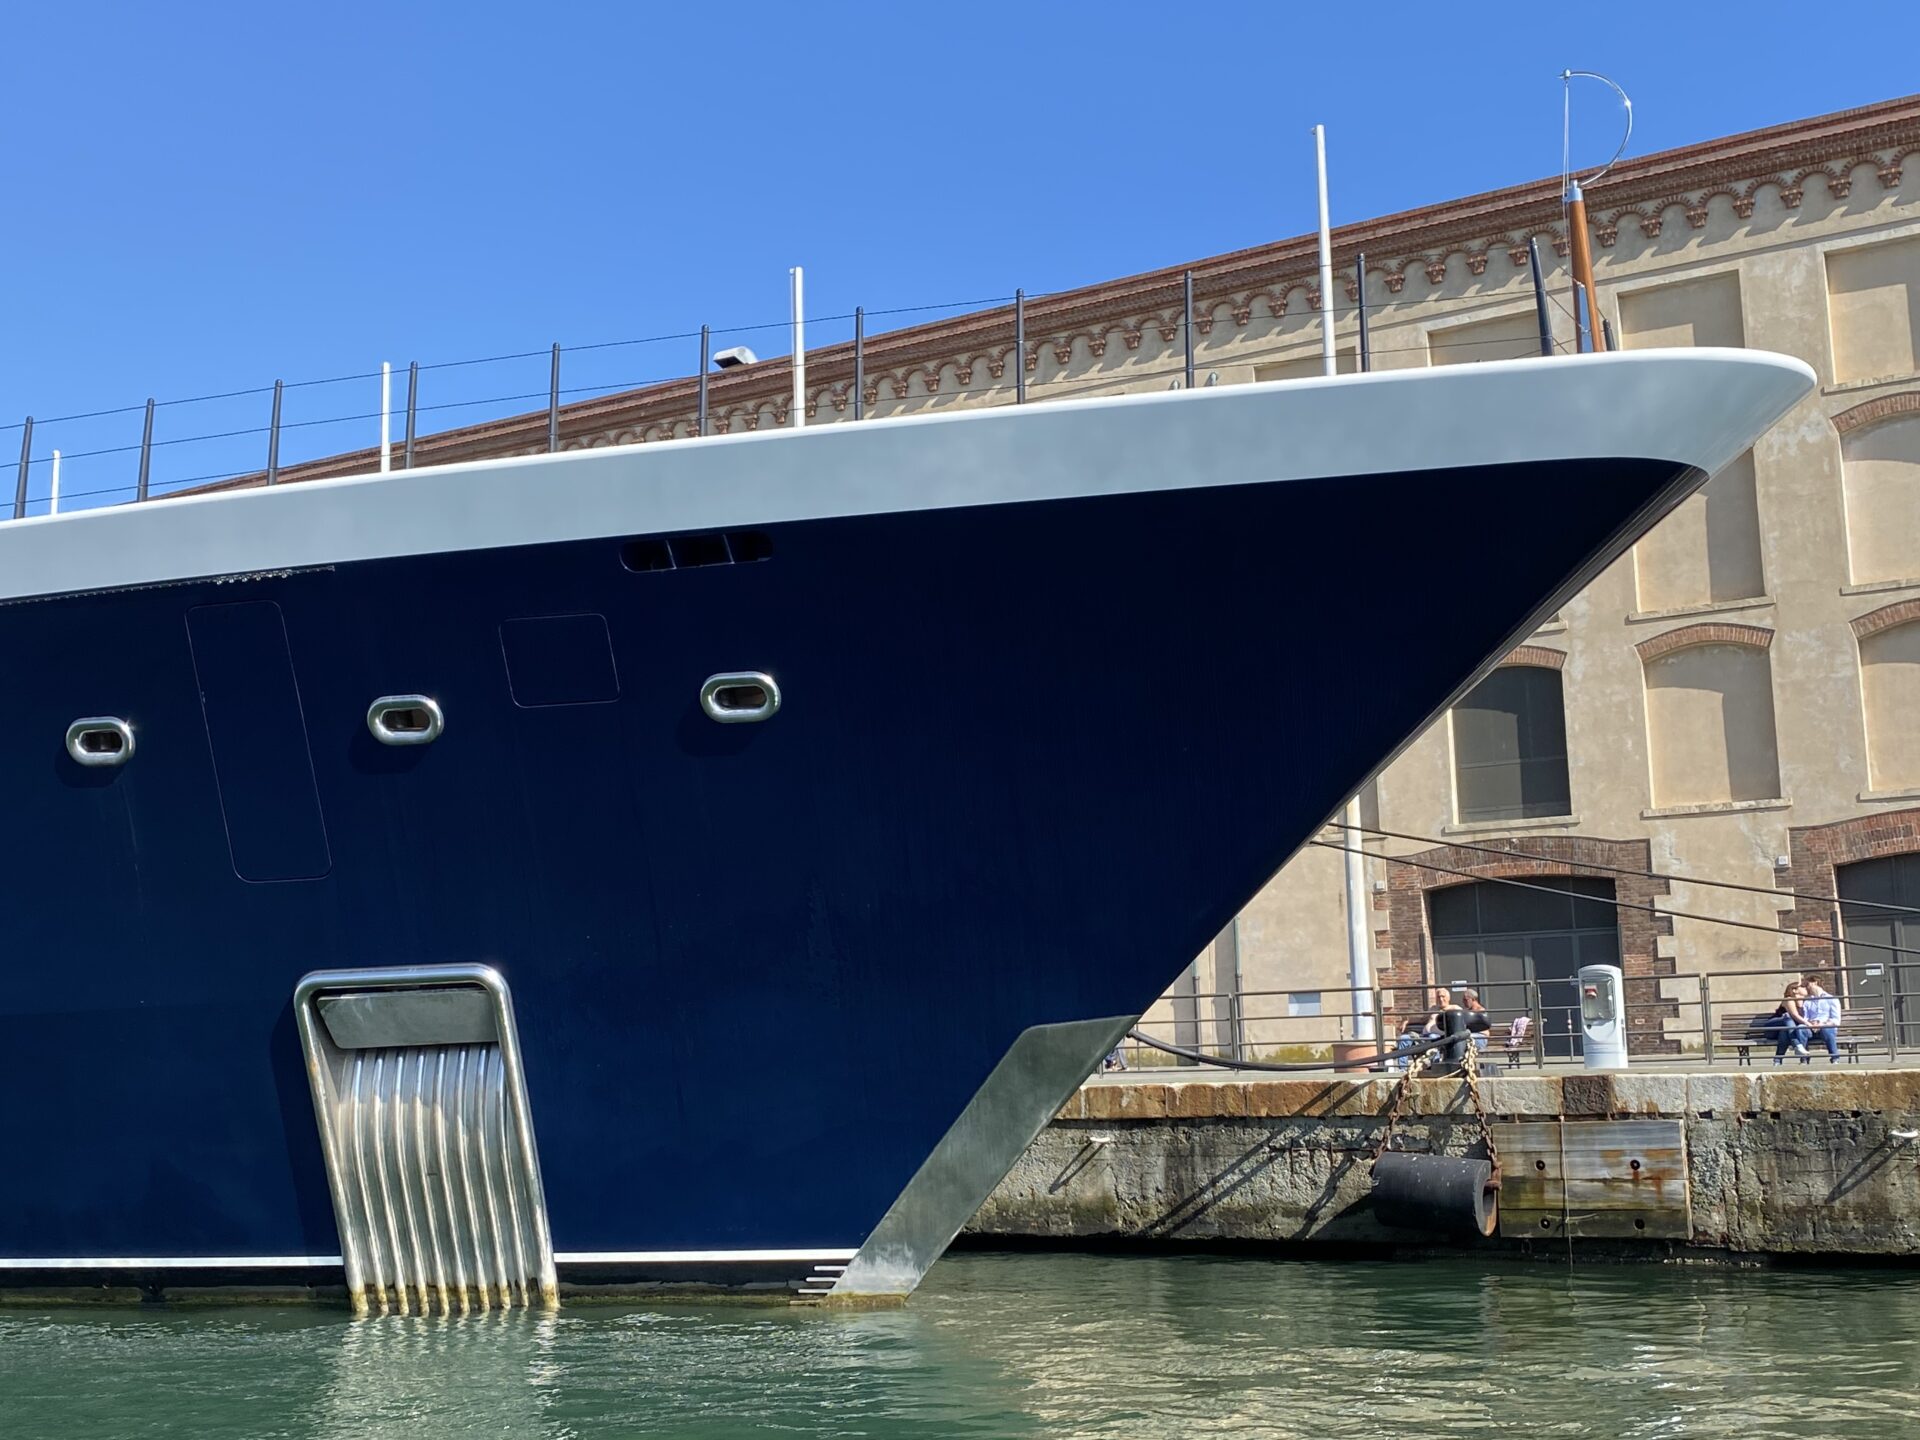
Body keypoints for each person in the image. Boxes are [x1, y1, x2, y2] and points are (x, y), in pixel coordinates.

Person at [1801, 974, 1843, 1062]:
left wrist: (1821, 1024)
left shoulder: (1831, 999)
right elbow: (1805, 1017)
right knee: (1801, 1029)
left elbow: (1836, 1020)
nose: (1806, 988)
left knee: (1826, 1030)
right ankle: (1804, 1059)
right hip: (1811, 1028)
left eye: (1808, 985)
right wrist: (1810, 1024)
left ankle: (1835, 1058)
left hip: (1825, 1026)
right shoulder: (1807, 1001)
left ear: (1815, 983)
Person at [1769, 982, 1812, 1064]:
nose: (1805, 987)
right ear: (1794, 990)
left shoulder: (1806, 1001)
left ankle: (1777, 1061)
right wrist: (1808, 1023)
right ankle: (1797, 1046)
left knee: (1784, 1032)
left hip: (1786, 1029)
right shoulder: (1789, 999)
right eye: (1802, 986)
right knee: (1787, 1017)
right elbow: (1795, 1015)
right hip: (1773, 1027)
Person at [1460, 988, 1492, 1052]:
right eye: (1463, 1000)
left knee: (1463, 1039)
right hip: (1470, 1036)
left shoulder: (1480, 1011)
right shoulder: (1467, 1011)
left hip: (1480, 1037)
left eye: (1466, 1000)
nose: (1464, 1002)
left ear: (1473, 999)